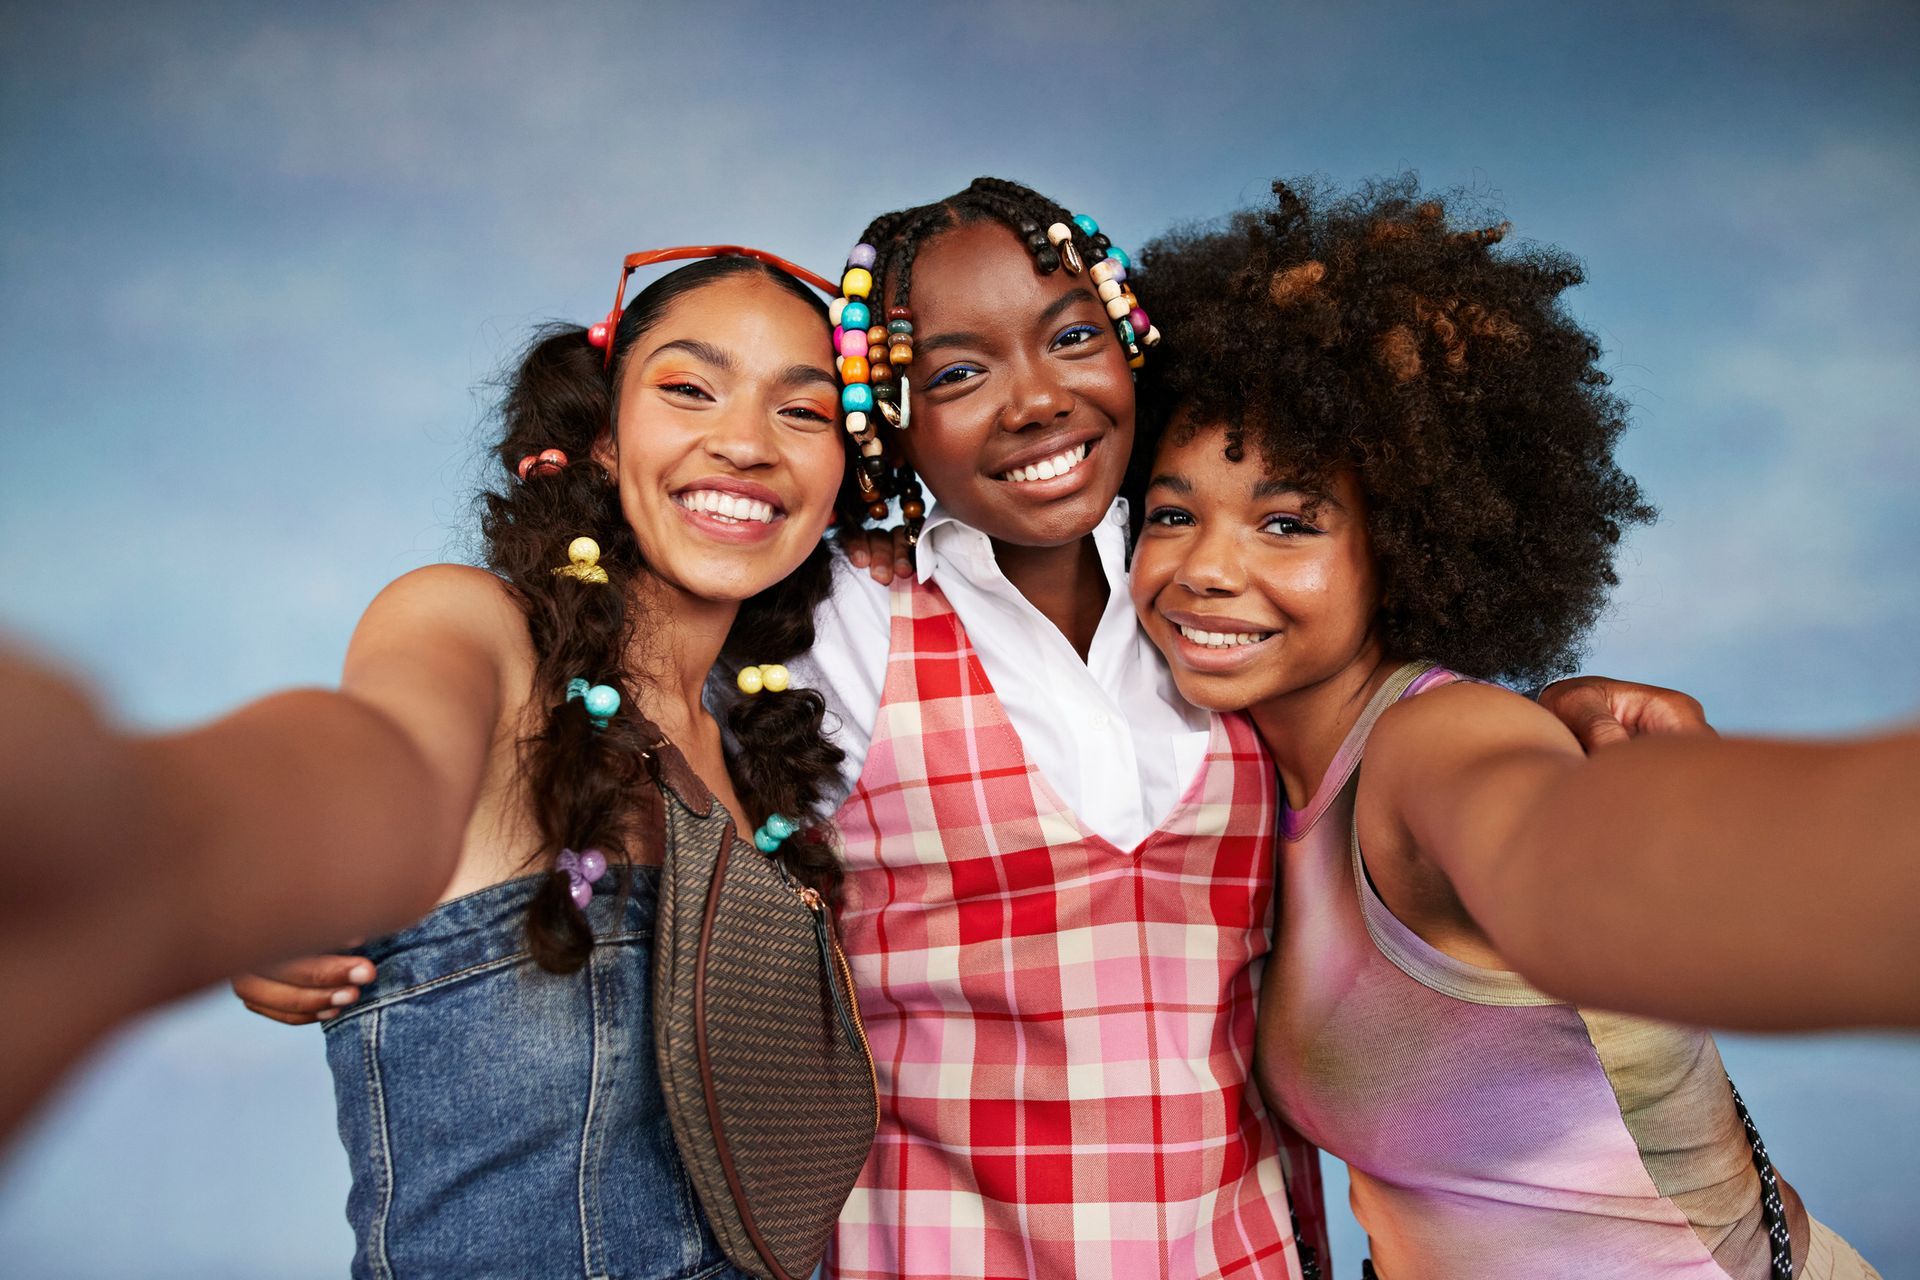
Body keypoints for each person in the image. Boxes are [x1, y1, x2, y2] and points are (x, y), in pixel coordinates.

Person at [237, 178, 1709, 1280]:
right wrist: (305, 854)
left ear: (1136, 354)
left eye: (1072, 336)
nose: (1031, 399)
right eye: (954, 371)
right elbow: (546, 672)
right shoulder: (832, 621)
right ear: (896, 430)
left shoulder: (1216, 606)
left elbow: (1389, 745)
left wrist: (1542, 716)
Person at [3, 249, 867, 1277]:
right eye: (689, 388)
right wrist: (212, 856)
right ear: (598, 437)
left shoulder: (762, 753)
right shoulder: (479, 629)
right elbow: (379, 760)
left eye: (802, 412)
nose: (744, 441)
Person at [1127, 176, 1881, 1277]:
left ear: (1410, 533)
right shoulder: (1256, 778)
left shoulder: (1439, 743)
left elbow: (1539, 836)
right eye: (1172, 514)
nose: (1205, 567)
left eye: (1288, 522)